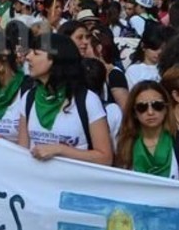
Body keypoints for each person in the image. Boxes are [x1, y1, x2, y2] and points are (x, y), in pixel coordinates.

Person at [18, 37, 113, 165]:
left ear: (56, 60)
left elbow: (105, 158)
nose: (28, 57)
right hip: (37, 183)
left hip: (75, 183)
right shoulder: (29, 98)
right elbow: (22, 152)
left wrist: (60, 150)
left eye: (36, 53)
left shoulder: (87, 100)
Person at [114, 81, 179, 181]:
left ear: (166, 108)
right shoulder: (123, 143)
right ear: (134, 112)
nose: (150, 112)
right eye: (142, 107)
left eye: (157, 105)